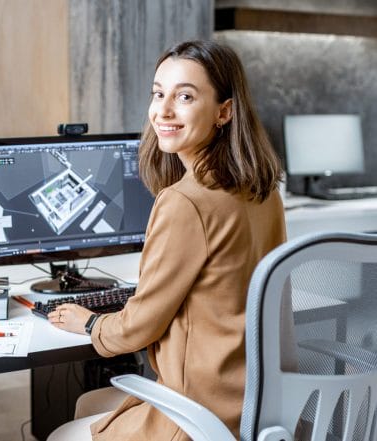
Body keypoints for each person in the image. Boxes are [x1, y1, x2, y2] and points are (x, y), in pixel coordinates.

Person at [46, 40, 286, 440]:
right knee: (90, 405)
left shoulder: (185, 201)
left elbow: (138, 328)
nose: (164, 111)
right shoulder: (264, 190)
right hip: (256, 405)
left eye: (185, 96)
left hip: (200, 415)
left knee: (60, 434)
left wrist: (88, 322)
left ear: (224, 111)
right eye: (159, 94)